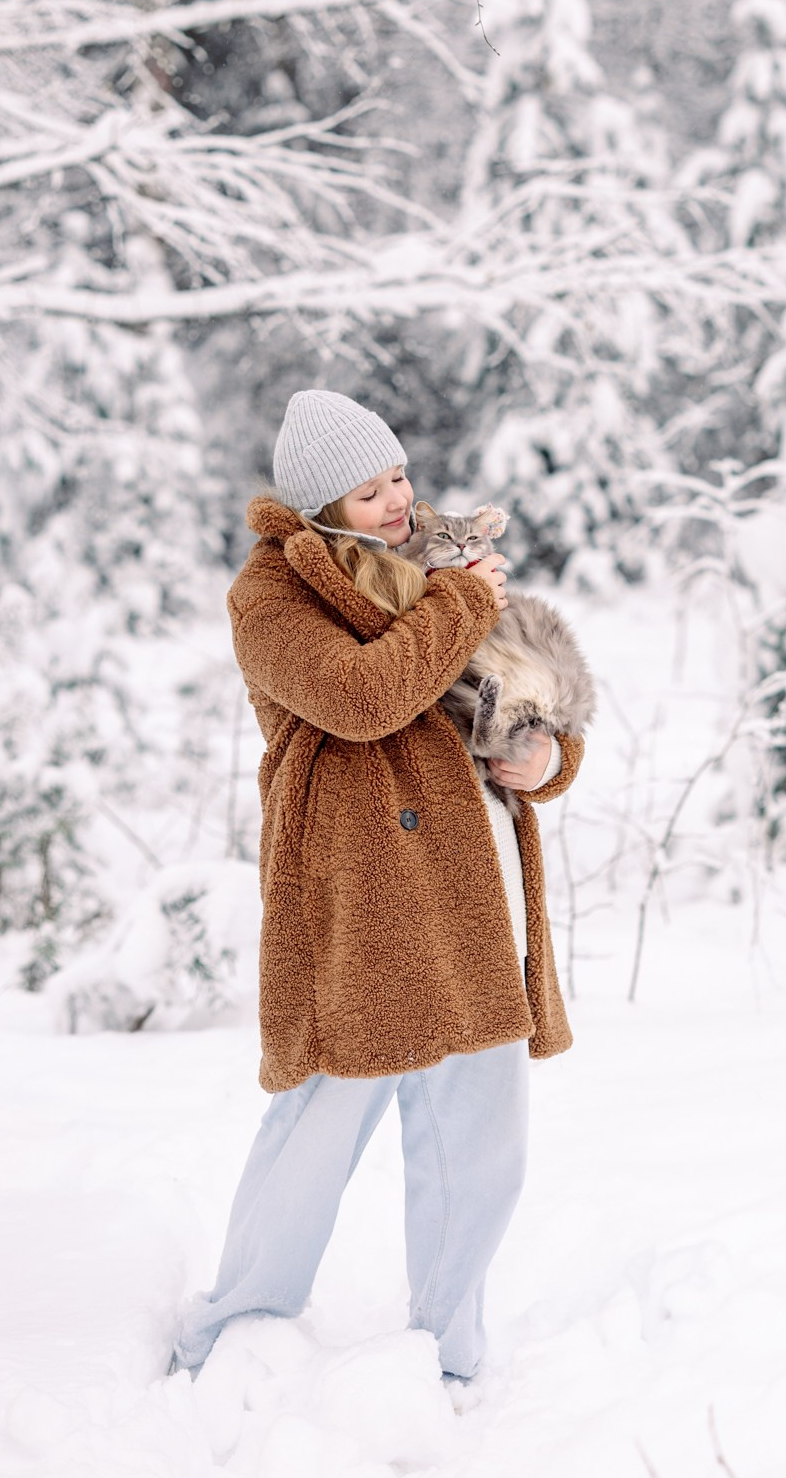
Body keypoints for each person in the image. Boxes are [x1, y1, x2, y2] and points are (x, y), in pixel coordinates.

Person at [170, 389, 583, 1384]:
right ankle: (234, 1329)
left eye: (398, 475)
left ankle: (447, 1355)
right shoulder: (271, 597)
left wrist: (548, 761)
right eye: (368, 490)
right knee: (318, 1125)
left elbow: (516, 698)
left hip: (472, 886)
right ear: (319, 506)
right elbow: (362, 698)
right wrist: (461, 600)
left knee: (483, 1144)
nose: (398, 498)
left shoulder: (432, 568)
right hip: (359, 899)